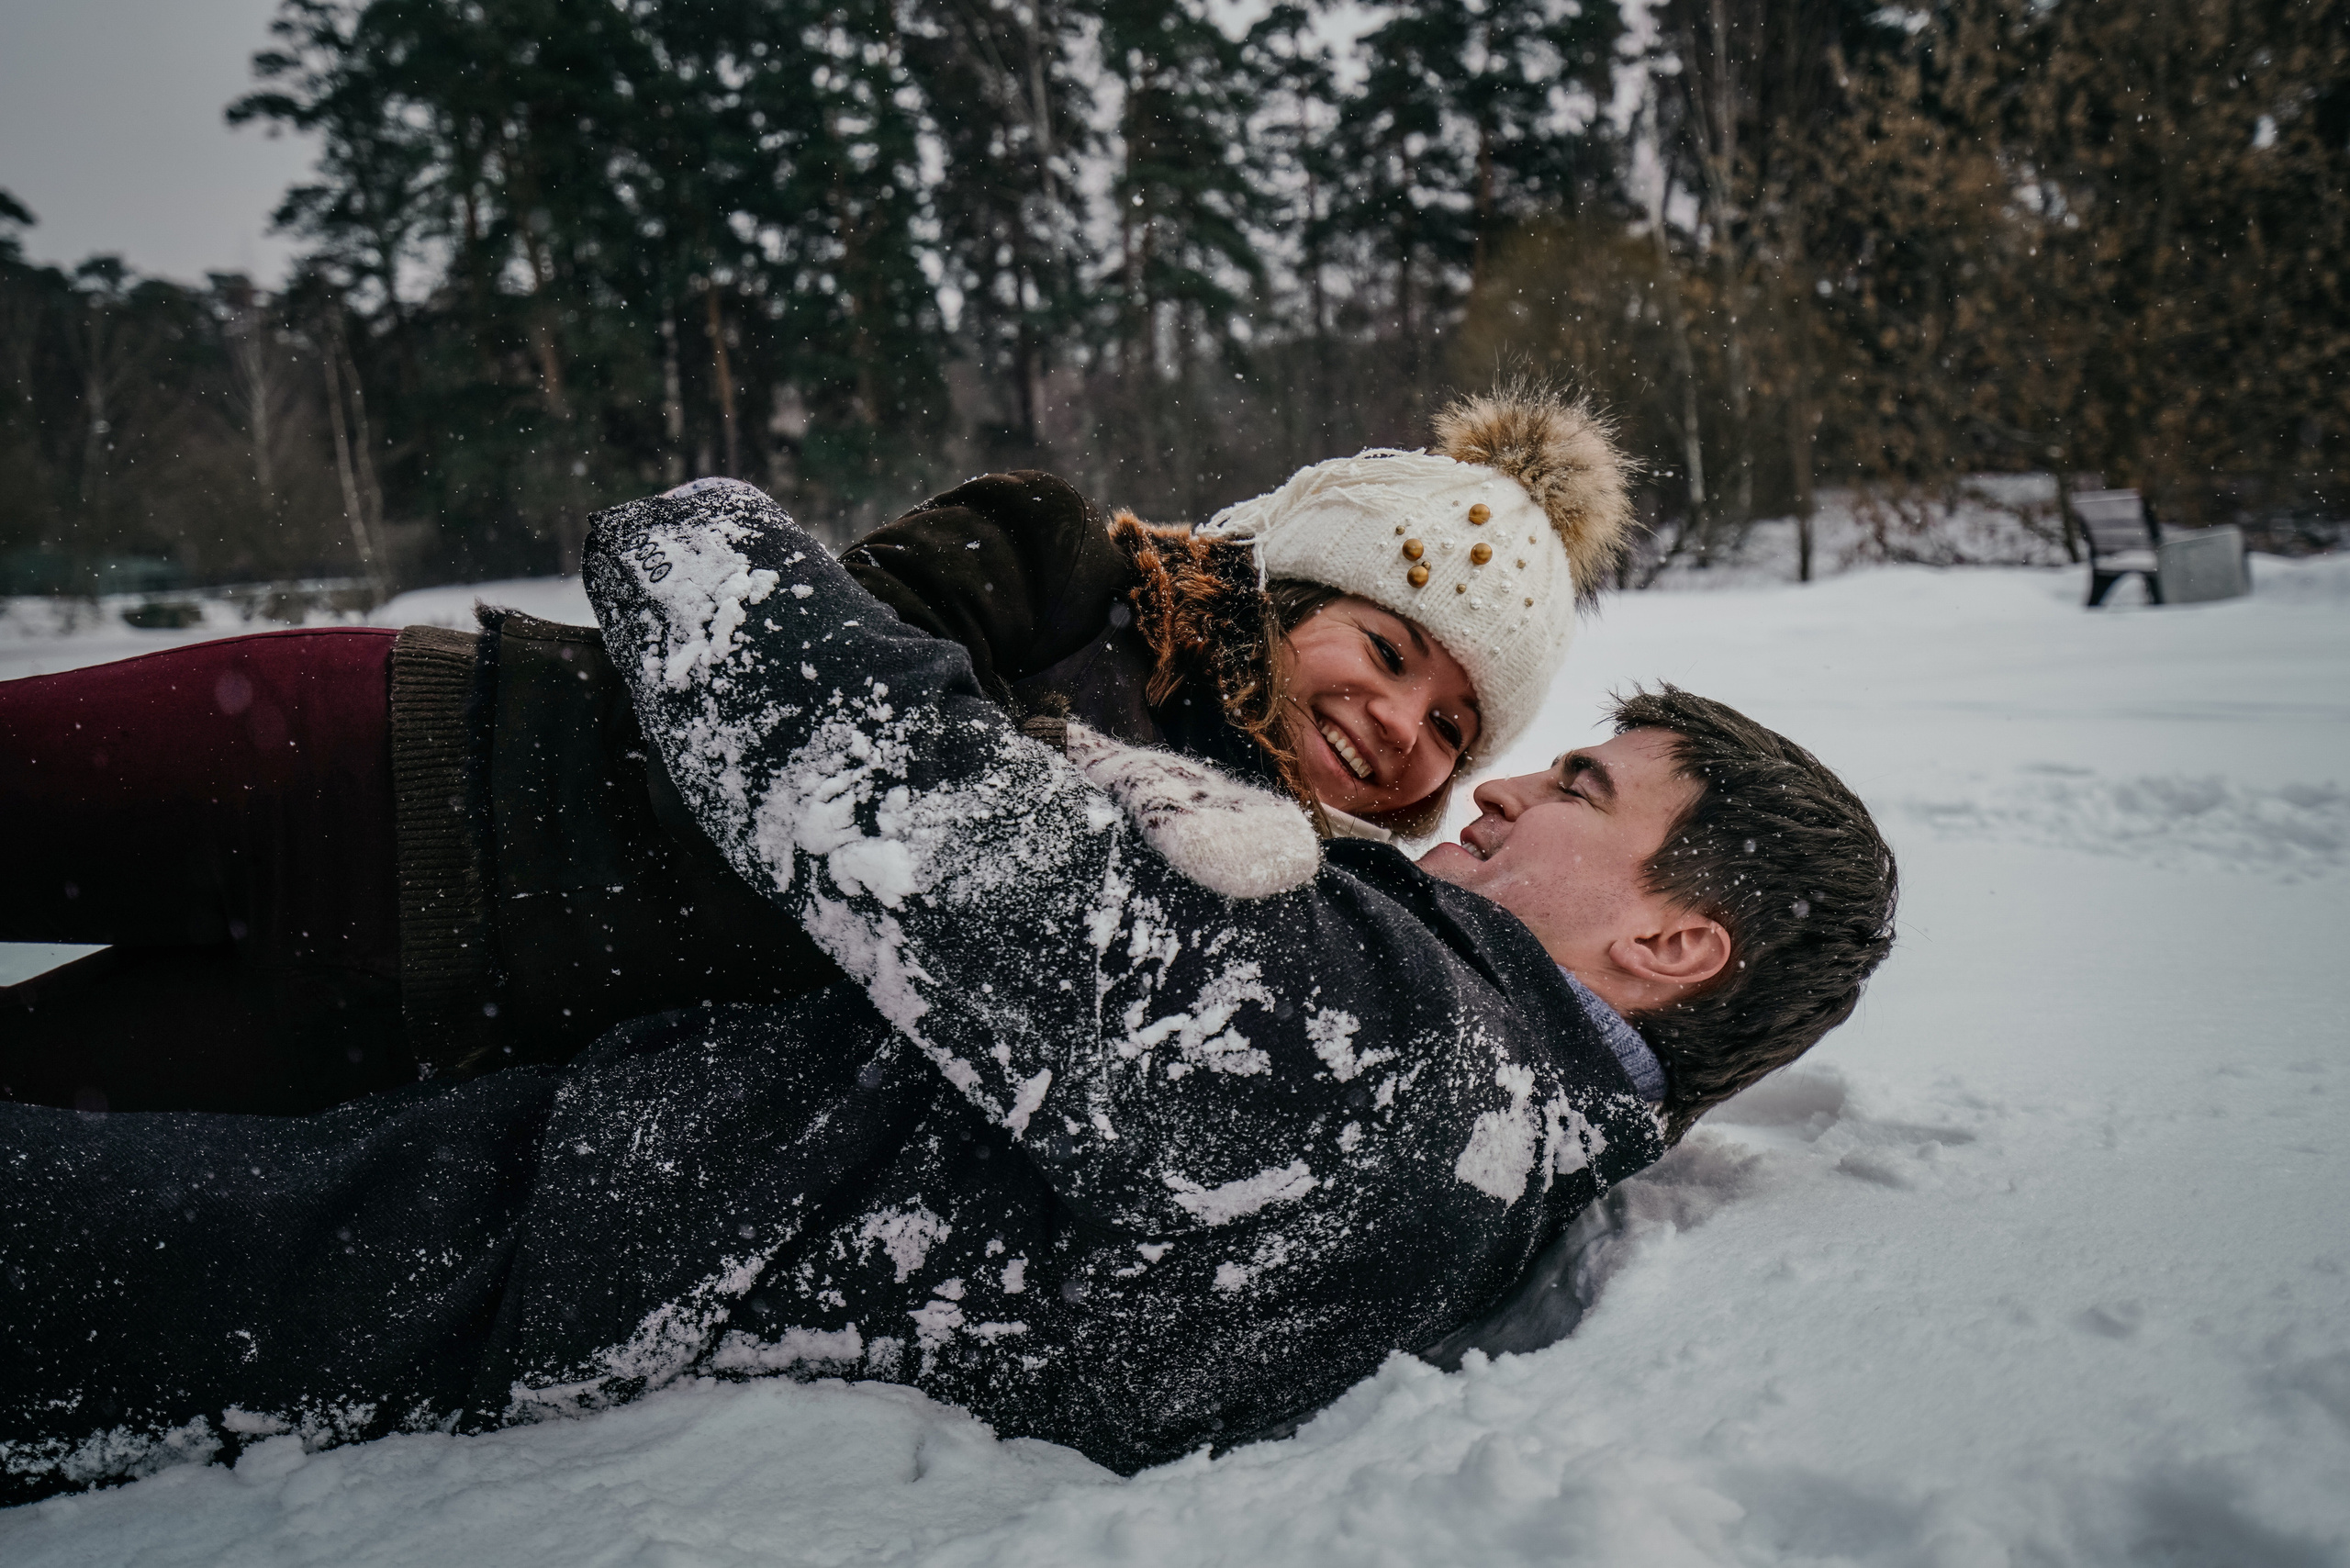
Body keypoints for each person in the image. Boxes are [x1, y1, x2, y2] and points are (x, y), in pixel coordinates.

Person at [0, 480, 1896, 1503]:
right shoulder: (1496, 1160)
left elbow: (869, 786)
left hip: (398, 1215)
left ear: (1669, 945)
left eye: (1565, 781)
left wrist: (719, 536)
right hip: (418, 1001)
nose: (1470, 774)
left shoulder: (1386, 1040)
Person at [0, 386, 1630, 1112]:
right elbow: (805, 677)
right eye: (1391, 649)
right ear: (1294, 581)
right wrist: (1112, 787)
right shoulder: (1064, 564)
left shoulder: (1289, 920)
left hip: (414, 1031)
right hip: (386, 762)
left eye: (1455, 727)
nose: (1398, 727)